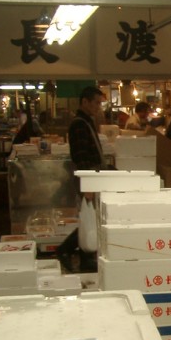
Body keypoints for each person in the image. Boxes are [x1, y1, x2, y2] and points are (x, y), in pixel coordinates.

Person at [56, 86, 112, 273]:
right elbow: (80, 156)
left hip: (93, 178)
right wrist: (88, 184)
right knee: (90, 219)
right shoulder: (79, 123)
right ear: (85, 102)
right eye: (96, 102)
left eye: (100, 103)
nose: (98, 106)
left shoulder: (86, 121)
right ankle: (69, 251)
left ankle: (84, 258)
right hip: (88, 178)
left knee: (92, 219)